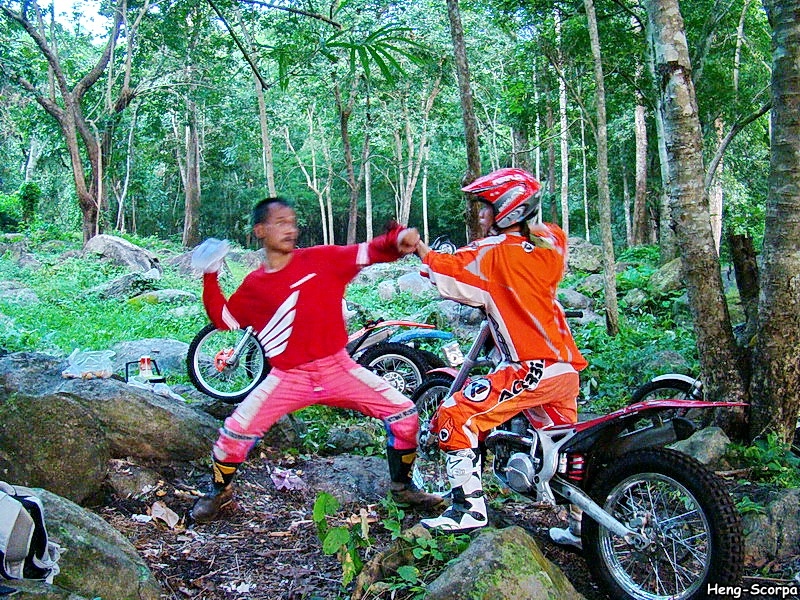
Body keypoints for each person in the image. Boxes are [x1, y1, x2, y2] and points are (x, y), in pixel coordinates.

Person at [190, 197, 442, 523]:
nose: (290, 229)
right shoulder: (255, 285)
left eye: (292, 222)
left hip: (338, 368)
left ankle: (402, 488)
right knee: (234, 433)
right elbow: (225, 319)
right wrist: (210, 273)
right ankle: (219, 493)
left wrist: (398, 239)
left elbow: (368, 252)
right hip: (288, 376)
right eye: (280, 222)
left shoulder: (321, 259)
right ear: (260, 230)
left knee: (405, 415)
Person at [414, 168, 587, 539]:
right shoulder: (551, 242)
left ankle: (467, 510)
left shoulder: (492, 253)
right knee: (565, 446)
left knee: (455, 415)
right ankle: (580, 526)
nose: (480, 215)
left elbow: (444, 271)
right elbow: (541, 240)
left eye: (485, 207)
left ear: (507, 209)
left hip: (531, 366)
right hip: (565, 368)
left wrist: (418, 246)